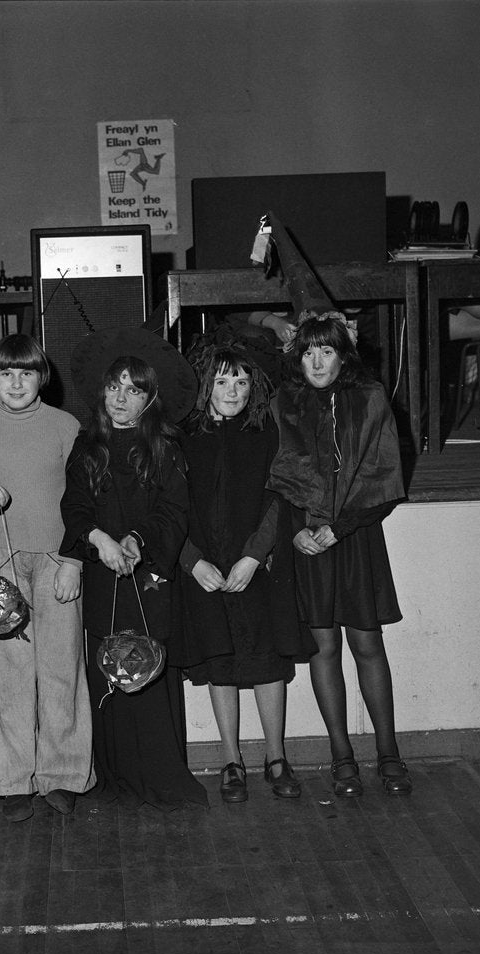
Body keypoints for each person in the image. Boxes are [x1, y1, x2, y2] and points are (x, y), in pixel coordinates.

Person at [60, 327, 207, 812]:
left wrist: (136, 541)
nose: (121, 398)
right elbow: (75, 507)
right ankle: (116, 776)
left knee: (149, 668)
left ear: (149, 400)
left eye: (134, 390)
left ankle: (161, 777)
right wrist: (98, 539)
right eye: (114, 387)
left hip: (150, 577)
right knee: (107, 671)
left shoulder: (166, 449)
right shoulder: (86, 447)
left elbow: (173, 511)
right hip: (103, 573)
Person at [266, 311, 411, 797]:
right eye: (308, 351)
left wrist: (340, 528)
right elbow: (278, 480)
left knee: (368, 644)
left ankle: (388, 752)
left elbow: (386, 480)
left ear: (343, 353)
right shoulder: (285, 403)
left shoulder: (369, 399)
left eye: (326, 350)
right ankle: (341, 754)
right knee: (323, 647)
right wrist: (296, 534)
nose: (316, 360)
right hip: (307, 541)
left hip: (355, 538)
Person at [0, 334, 94, 822]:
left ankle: (63, 773)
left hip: (58, 560)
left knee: (61, 669)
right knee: (8, 674)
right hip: (2, 563)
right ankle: (12, 778)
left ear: (42, 377)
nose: (16, 383)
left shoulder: (67, 426)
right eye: (7, 373)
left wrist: (75, 561)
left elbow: (84, 503)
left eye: (27, 373)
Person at [174, 337, 314, 804]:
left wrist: (254, 556)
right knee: (221, 662)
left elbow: (278, 497)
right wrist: (193, 562)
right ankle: (232, 760)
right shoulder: (183, 437)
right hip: (205, 569)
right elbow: (167, 507)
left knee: (267, 660)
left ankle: (276, 756)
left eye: (241, 379)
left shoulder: (264, 431)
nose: (232, 390)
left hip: (257, 566)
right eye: (221, 380)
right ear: (204, 385)